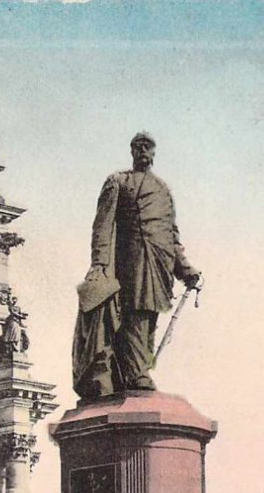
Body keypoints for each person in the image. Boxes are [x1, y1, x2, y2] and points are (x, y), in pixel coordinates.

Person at [73, 132, 201, 398]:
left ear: (154, 153)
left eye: (148, 147)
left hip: (159, 264)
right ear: (131, 151)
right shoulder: (119, 181)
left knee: (149, 318)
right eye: (138, 146)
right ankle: (135, 374)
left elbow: (172, 236)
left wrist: (186, 270)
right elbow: (102, 226)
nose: (143, 151)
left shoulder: (164, 190)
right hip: (129, 263)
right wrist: (99, 263)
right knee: (134, 315)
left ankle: (137, 370)